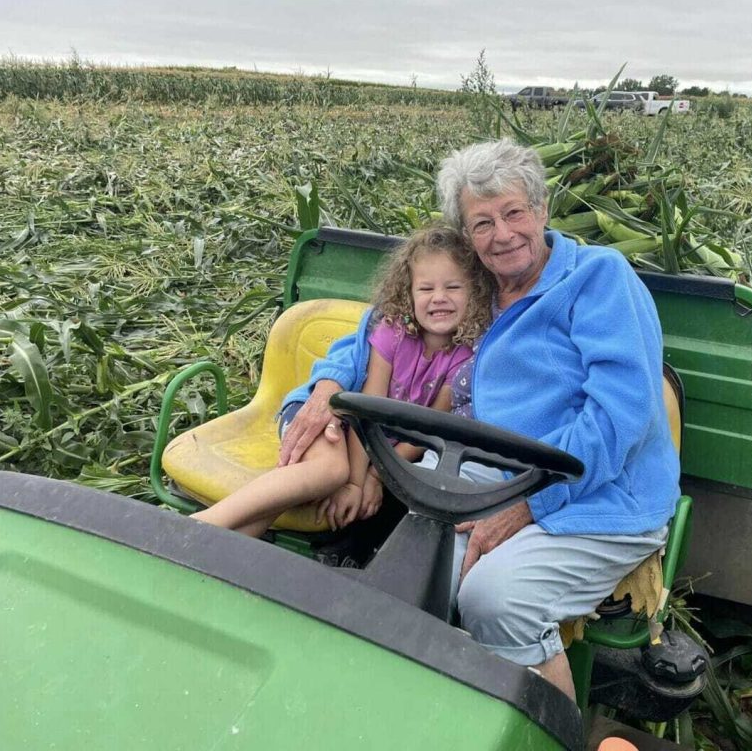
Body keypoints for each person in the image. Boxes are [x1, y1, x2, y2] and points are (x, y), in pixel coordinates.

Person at [292, 138, 681, 701]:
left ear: (543, 210)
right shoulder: (470, 287)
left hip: (594, 493)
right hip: (477, 476)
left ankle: (549, 730)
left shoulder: (599, 281)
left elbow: (618, 418)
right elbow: (373, 334)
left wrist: (529, 503)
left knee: (494, 600)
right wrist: (326, 385)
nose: (502, 234)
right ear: (467, 236)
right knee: (405, 589)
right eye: (482, 223)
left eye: (514, 213)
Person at [193, 223, 493, 537]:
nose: (439, 298)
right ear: (409, 292)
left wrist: (374, 478)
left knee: (297, 494)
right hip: (333, 417)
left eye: (453, 287)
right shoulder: (392, 332)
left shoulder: (465, 359)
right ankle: (200, 526)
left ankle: (216, 549)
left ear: (475, 292)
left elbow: (424, 431)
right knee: (330, 471)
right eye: (426, 289)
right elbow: (367, 410)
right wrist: (353, 482)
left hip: (377, 450)